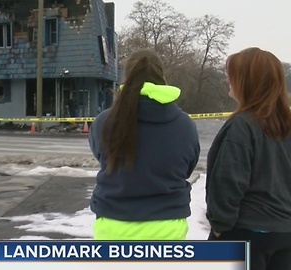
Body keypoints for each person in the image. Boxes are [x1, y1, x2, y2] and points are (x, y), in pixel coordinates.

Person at [88, 49, 200, 240]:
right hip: (167, 230)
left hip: (113, 229)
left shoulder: (104, 122)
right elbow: (187, 168)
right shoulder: (184, 124)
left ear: (126, 78)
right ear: (162, 77)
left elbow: (101, 157)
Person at [206, 47, 291, 269]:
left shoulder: (242, 127)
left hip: (245, 236)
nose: (227, 80)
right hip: (285, 236)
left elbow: (228, 182)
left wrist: (219, 226)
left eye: (231, 75)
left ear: (247, 81)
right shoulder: (286, 123)